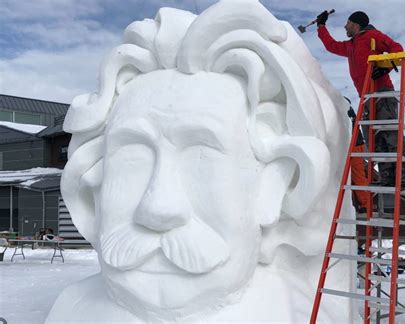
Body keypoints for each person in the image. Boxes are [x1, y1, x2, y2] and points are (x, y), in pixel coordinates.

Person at [46, 1, 355, 323]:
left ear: (277, 183)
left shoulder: (300, 313)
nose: (158, 209)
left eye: (201, 159)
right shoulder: (70, 310)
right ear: (93, 184)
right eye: (133, 158)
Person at [316, 10, 405, 190]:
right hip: (366, 97)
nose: (345, 26)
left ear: (356, 24)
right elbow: (331, 45)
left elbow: (397, 49)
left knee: (390, 135)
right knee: (374, 139)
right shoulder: (351, 45)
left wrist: (385, 67)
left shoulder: (373, 36)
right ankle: (388, 177)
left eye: (348, 23)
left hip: (382, 93)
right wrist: (321, 26)